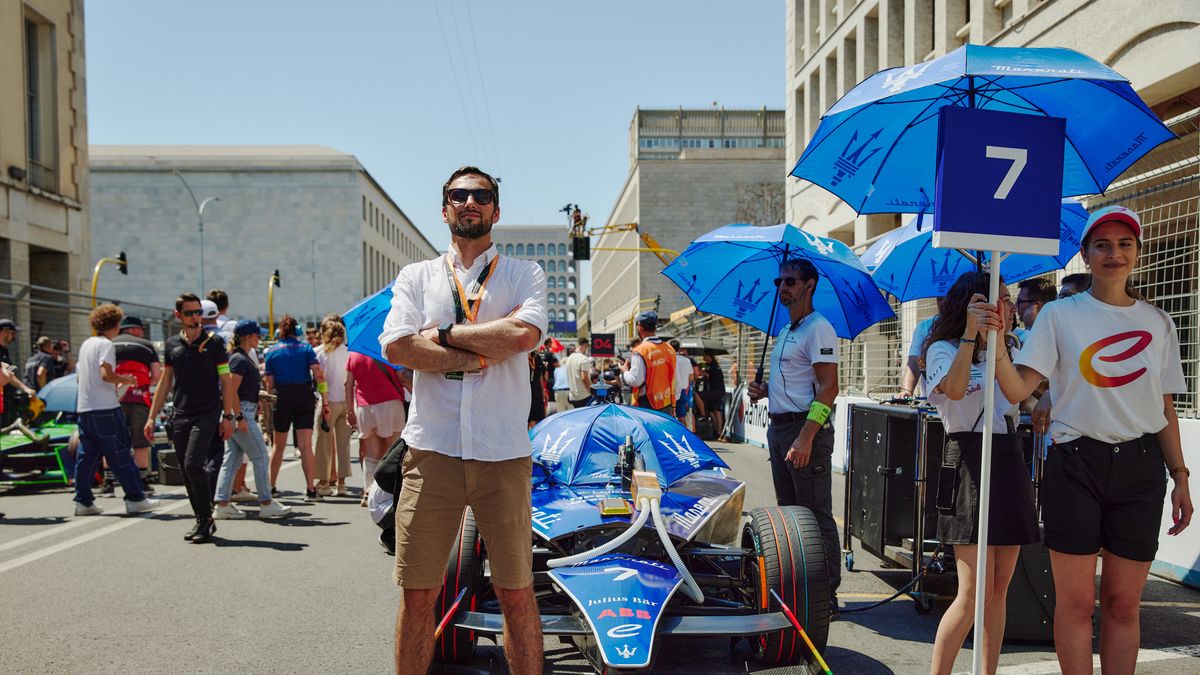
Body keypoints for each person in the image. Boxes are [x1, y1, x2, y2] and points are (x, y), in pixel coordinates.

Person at [989, 206, 1192, 675]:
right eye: (1102, 245)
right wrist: (997, 341)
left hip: (1142, 469)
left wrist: (1180, 476)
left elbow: (1164, 411)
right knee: (1077, 605)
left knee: (1123, 605)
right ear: (1085, 254)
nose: (1114, 254)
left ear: (1138, 253)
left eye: (1124, 244)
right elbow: (1019, 389)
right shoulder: (1060, 315)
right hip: (1075, 464)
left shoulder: (1159, 322)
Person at [380, 165, 546, 675]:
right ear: (445, 207)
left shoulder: (525, 273)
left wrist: (445, 335)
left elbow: (523, 336)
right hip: (432, 452)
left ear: (497, 210)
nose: (469, 202)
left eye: (481, 195)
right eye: (459, 195)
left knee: (517, 592)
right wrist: (480, 353)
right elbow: (398, 346)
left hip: (502, 452)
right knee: (419, 594)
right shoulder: (417, 276)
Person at [923, 272, 1038, 675]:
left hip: (1007, 455)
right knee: (972, 592)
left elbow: (1019, 396)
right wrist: (971, 335)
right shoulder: (941, 348)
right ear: (966, 304)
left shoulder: (1011, 346)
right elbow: (953, 392)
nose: (1003, 307)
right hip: (967, 458)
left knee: (999, 589)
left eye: (1006, 299)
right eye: (994, 299)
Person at [746, 257, 842, 607]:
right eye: (779, 282)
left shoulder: (819, 327)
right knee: (789, 515)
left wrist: (806, 436)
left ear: (809, 285)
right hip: (779, 428)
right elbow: (797, 382)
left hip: (806, 430)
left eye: (789, 281)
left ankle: (826, 593)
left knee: (814, 515)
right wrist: (765, 390)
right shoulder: (786, 331)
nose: (782, 288)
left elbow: (829, 388)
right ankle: (797, 588)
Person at [144, 292, 241, 544]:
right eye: (189, 313)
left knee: (192, 463)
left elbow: (226, 381)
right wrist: (151, 417)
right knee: (187, 471)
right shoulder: (172, 345)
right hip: (180, 414)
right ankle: (202, 518)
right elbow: (165, 382)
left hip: (207, 413)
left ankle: (205, 517)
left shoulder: (214, 343)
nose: (195, 317)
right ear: (179, 315)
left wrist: (229, 416)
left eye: (198, 312)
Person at [72, 304, 160, 517]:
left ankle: (83, 500)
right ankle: (135, 498)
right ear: (116, 324)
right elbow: (105, 374)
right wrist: (125, 379)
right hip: (105, 408)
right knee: (120, 454)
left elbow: (81, 376)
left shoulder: (86, 344)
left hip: (85, 408)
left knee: (87, 456)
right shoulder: (106, 346)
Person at [213, 321, 292, 520]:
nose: (260, 339)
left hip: (239, 412)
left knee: (232, 459)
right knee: (260, 457)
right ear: (248, 337)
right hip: (242, 413)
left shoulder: (239, 357)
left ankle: (222, 503)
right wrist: (238, 416)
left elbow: (233, 389)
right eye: (257, 335)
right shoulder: (240, 359)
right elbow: (231, 389)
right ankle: (266, 502)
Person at [263, 314, 326, 501]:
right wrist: (325, 398)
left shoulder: (272, 351)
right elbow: (318, 374)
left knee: (278, 445)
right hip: (304, 396)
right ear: (297, 331)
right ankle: (310, 489)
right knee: (306, 445)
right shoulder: (306, 348)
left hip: (282, 397)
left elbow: (269, 382)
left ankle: (271, 487)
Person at [345, 350, 408, 505]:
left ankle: (368, 491)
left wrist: (349, 410)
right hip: (390, 403)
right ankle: (385, 494)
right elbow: (403, 377)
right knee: (391, 452)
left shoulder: (355, 353)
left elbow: (348, 383)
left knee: (371, 452)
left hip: (364, 406)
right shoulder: (388, 350)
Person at [112, 315, 161, 494]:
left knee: (113, 440)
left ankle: (108, 482)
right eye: (140, 329)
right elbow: (156, 375)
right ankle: (142, 481)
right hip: (139, 397)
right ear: (133, 329)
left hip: (113, 399)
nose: (142, 332)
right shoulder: (146, 346)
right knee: (141, 441)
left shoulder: (110, 344)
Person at [315, 320, 353, 497]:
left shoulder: (321, 352)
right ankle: (342, 483)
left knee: (324, 443)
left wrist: (324, 403)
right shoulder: (348, 351)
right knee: (343, 444)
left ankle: (323, 482)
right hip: (346, 400)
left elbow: (320, 380)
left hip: (328, 401)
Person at [620, 311, 676, 413]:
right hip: (666, 402)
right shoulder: (668, 348)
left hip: (648, 405)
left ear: (640, 327)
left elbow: (635, 380)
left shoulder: (640, 351)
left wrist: (624, 371)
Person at [901, 297, 945, 399]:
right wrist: (906, 391)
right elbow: (914, 361)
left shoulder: (971, 326)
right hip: (933, 400)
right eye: (939, 298)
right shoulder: (924, 327)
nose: (943, 302)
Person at [0, 318, 22, 424]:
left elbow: (11, 368)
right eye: (12, 333)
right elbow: (4, 378)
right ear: (4, 332)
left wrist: (8, 368)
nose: (14, 337)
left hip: (6, 398)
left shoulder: (4, 351)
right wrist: (24, 388)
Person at [699, 351, 726, 437]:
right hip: (713, 391)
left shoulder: (714, 366)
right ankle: (715, 429)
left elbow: (708, 376)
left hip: (717, 391)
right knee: (711, 411)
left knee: (716, 410)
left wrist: (703, 372)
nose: (703, 357)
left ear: (708, 356)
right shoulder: (710, 365)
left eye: (704, 355)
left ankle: (719, 431)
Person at [564, 337, 594, 408]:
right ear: (584, 345)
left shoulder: (569, 358)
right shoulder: (584, 359)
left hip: (573, 396)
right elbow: (584, 378)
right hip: (583, 396)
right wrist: (591, 392)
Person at [527, 350, 547, 428]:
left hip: (537, 391)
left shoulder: (536, 357)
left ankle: (535, 438)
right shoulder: (521, 357)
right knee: (528, 417)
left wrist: (543, 391)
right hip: (526, 391)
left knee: (539, 417)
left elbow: (541, 376)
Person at [550, 347, 570, 413]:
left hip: (558, 391)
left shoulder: (556, 370)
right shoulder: (570, 369)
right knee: (571, 412)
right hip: (569, 390)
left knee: (560, 412)